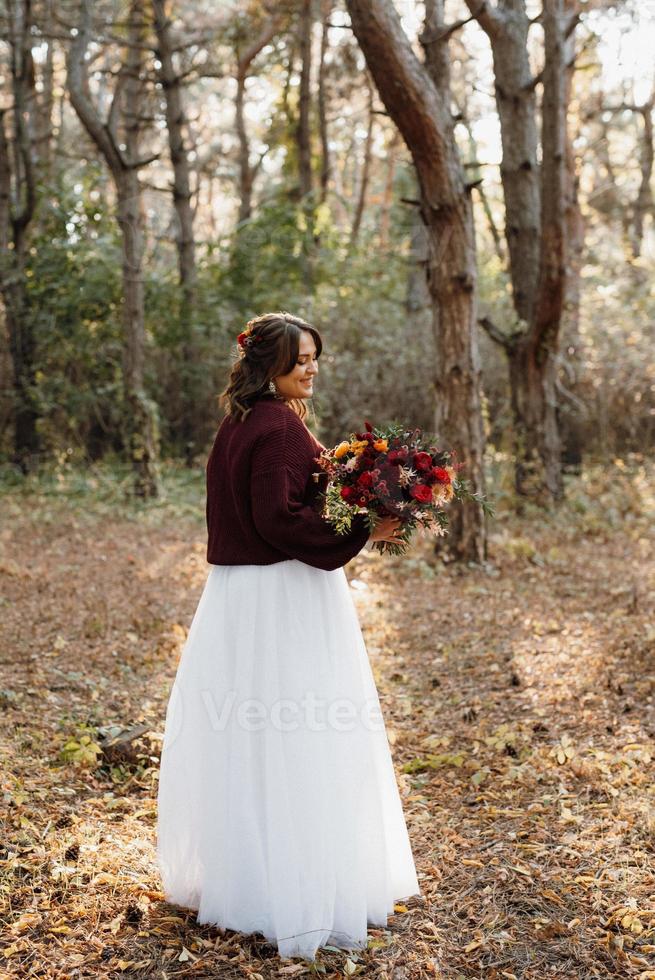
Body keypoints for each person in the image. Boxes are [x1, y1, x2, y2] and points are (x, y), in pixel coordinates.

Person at [156, 311, 421, 961]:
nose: (312, 366)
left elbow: (282, 509)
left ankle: (250, 878)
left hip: (243, 596)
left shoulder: (243, 423)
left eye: (315, 356)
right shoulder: (275, 427)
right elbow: (279, 521)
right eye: (301, 357)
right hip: (278, 595)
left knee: (255, 737)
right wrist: (365, 532)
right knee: (294, 732)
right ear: (268, 363)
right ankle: (289, 892)